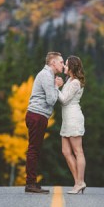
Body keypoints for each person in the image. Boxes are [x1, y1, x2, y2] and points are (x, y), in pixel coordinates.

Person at [25, 52, 65, 194]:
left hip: (38, 115)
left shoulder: (48, 75)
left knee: (35, 149)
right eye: (61, 62)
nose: (63, 65)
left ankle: (32, 182)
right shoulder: (47, 75)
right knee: (34, 149)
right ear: (53, 63)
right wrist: (57, 86)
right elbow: (51, 100)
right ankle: (30, 183)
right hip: (37, 115)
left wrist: (55, 85)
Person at [58, 55, 87, 195]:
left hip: (74, 118)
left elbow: (63, 100)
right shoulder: (69, 80)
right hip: (67, 119)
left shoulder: (75, 82)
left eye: (66, 64)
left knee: (78, 151)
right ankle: (78, 182)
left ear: (71, 67)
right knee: (65, 151)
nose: (64, 66)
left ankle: (80, 182)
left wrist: (55, 87)